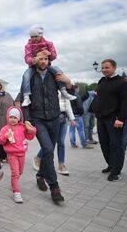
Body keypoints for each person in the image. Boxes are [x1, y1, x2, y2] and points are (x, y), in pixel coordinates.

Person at [28, 50, 72, 202]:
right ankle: (54, 187)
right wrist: (27, 119)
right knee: (47, 149)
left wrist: (68, 81)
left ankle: (40, 176)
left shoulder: (54, 75)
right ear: (35, 60)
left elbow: (71, 91)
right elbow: (23, 99)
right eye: (40, 58)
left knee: (48, 152)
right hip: (38, 119)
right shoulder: (30, 76)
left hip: (55, 119)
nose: (43, 61)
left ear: (49, 60)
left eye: (46, 58)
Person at [92, 59, 127, 182]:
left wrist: (121, 119)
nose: (103, 70)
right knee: (104, 144)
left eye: (106, 68)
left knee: (116, 145)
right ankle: (111, 165)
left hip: (114, 119)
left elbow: (126, 102)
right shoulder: (102, 81)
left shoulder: (122, 82)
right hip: (101, 118)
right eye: (102, 68)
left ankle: (116, 171)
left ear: (114, 67)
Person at [20, 26, 75, 107]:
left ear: (41, 35)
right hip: (32, 67)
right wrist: (32, 60)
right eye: (32, 37)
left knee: (58, 70)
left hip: (53, 114)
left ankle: (63, 91)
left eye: (36, 36)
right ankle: (26, 96)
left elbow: (54, 56)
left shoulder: (48, 44)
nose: (34, 38)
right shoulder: (28, 45)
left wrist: (67, 81)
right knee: (26, 75)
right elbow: (27, 58)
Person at [0, 107, 36, 203]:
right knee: (15, 173)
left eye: (15, 117)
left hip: (22, 153)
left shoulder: (22, 127)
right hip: (11, 154)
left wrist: (31, 129)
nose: (13, 119)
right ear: (8, 117)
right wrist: (5, 137)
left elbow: (30, 136)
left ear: (19, 118)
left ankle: (14, 183)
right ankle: (16, 192)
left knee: (20, 172)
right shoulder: (5, 129)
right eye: (11, 117)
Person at [33, 90, 76, 176]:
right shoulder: (49, 87)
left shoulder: (62, 89)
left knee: (61, 142)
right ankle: (38, 158)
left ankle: (61, 165)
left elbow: (67, 105)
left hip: (63, 118)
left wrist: (72, 118)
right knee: (50, 144)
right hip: (53, 118)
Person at [69, 85, 93, 149]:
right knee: (80, 130)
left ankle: (73, 144)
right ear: (76, 89)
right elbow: (80, 106)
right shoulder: (76, 95)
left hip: (70, 115)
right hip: (77, 115)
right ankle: (84, 144)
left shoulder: (68, 95)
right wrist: (81, 113)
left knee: (71, 130)